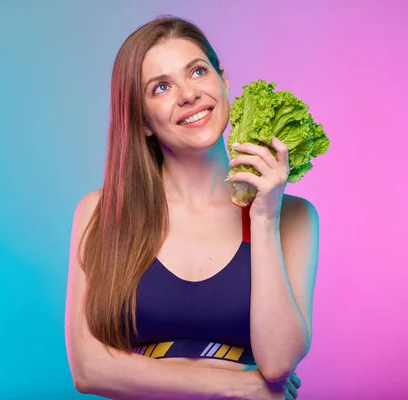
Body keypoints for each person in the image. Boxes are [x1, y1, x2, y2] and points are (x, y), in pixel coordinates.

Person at [65, 15, 319, 400]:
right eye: (161, 87)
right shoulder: (101, 213)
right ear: (143, 120)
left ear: (224, 81)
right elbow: (88, 369)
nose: (188, 94)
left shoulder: (294, 217)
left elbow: (279, 362)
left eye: (198, 72)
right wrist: (233, 385)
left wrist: (265, 217)